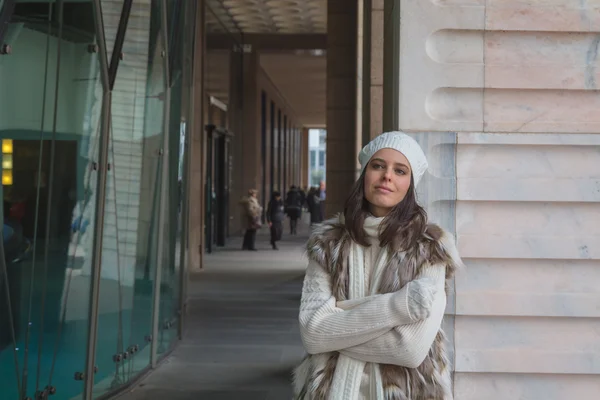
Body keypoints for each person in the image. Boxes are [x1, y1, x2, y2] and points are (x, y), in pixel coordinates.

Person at [293, 131, 463, 399]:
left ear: (410, 183)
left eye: (400, 170)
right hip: (332, 390)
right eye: (378, 165)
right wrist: (401, 305)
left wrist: (338, 325)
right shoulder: (327, 243)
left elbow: (410, 349)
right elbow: (313, 334)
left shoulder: (430, 248)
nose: (387, 176)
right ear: (365, 174)